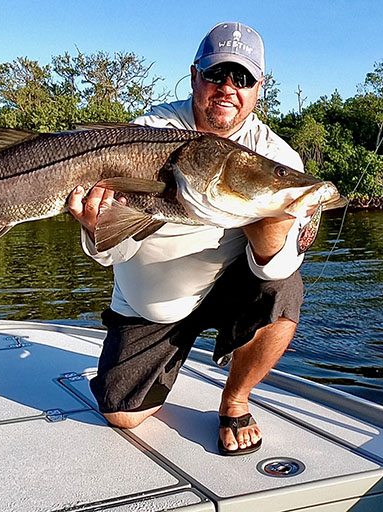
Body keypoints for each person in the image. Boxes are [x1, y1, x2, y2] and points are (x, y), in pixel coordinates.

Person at [69, 22, 314, 456]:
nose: (227, 87)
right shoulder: (146, 134)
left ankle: (235, 399)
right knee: (121, 415)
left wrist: (274, 226)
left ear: (260, 87)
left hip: (226, 286)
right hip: (152, 301)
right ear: (194, 74)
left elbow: (276, 269)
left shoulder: (277, 160)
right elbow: (113, 253)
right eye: (216, 73)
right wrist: (96, 227)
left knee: (284, 287)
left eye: (242, 78)